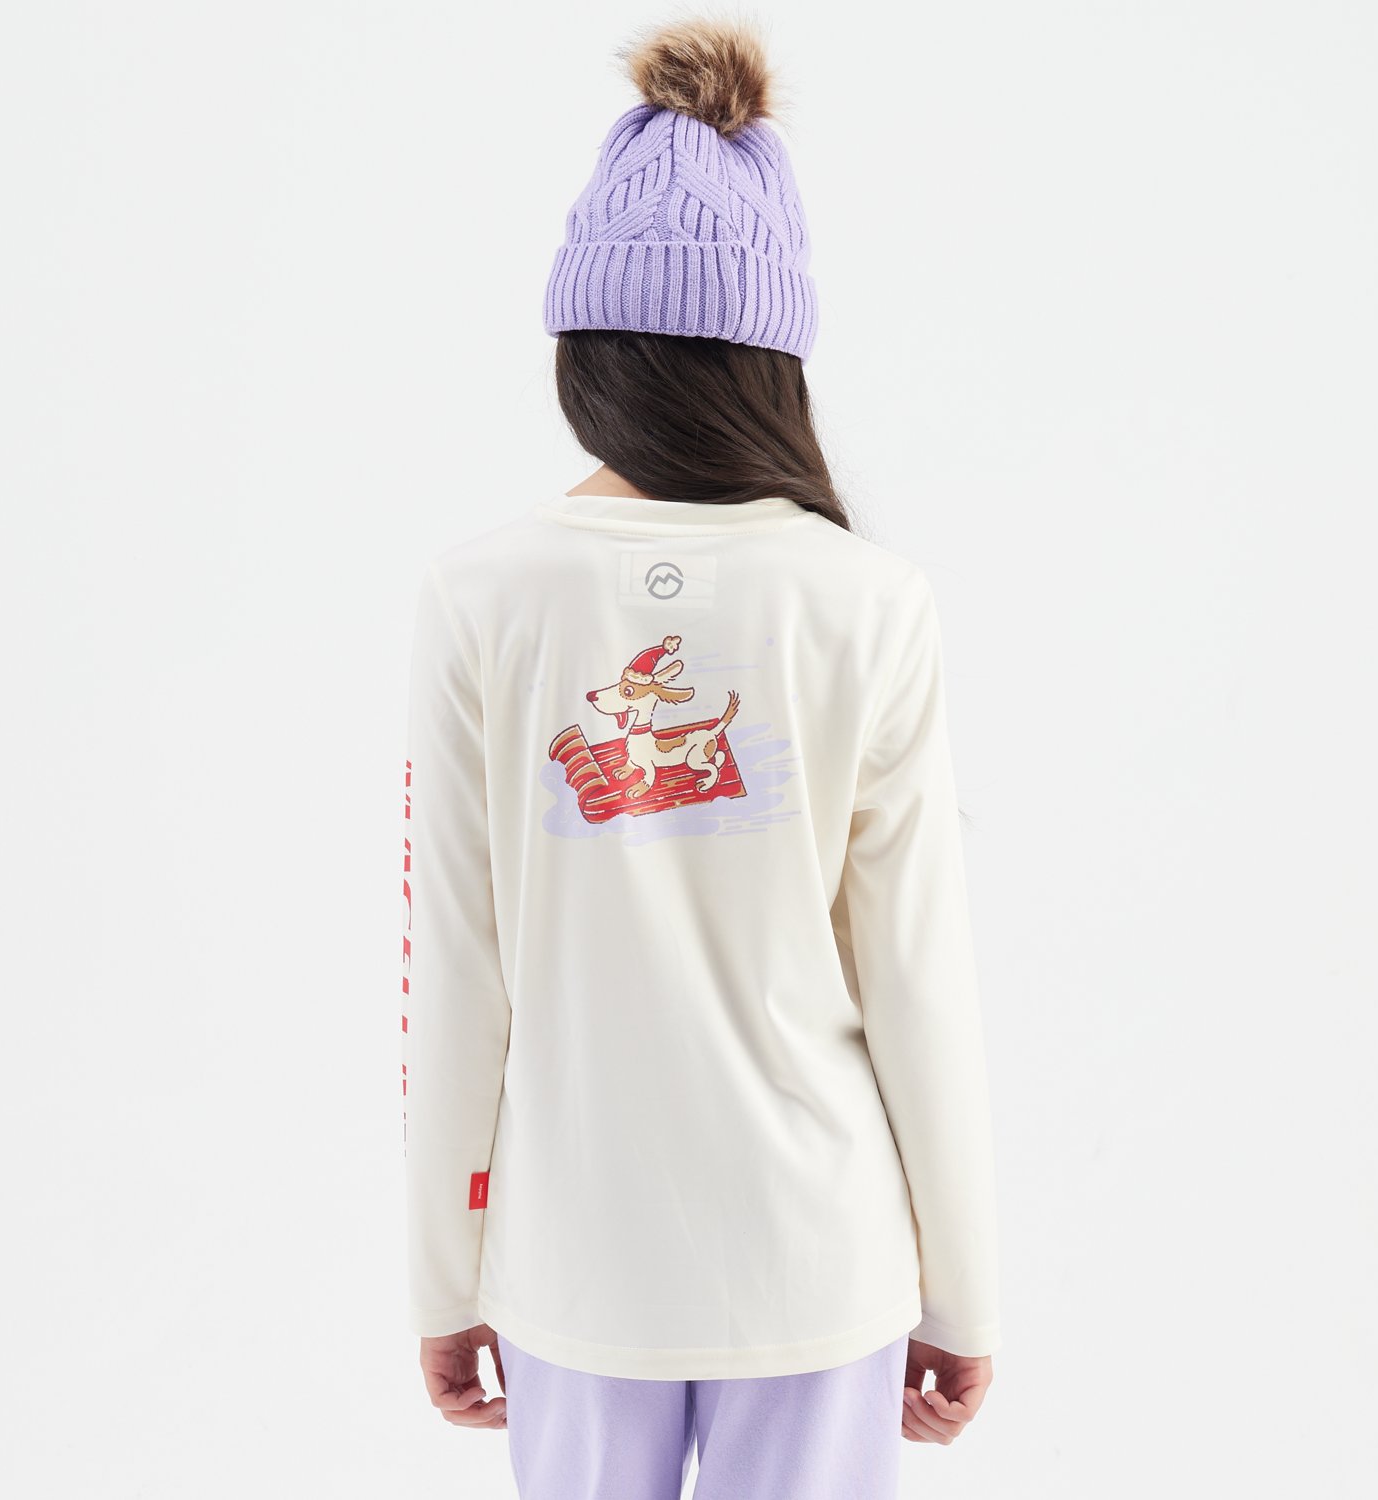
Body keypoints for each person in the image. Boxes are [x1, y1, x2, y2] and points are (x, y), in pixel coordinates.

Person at [399, 17, 1001, 1499]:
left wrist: (443, 1273)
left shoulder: (480, 599)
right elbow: (918, 979)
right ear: (775, 359)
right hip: (817, 1264)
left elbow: (457, 969)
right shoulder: (868, 602)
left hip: (571, 1266)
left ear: (583, 348)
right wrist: (963, 1294)